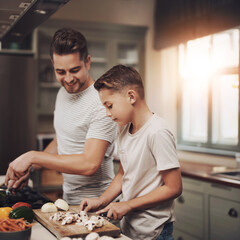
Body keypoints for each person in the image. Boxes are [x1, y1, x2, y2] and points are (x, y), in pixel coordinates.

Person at [5, 28, 118, 205]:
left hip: (101, 206)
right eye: (61, 72)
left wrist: (33, 156)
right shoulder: (62, 94)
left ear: (87, 62)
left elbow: (90, 164)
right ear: (53, 65)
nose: (68, 79)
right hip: (69, 202)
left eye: (74, 70)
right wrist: (30, 167)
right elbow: (62, 142)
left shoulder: (102, 102)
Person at [79, 65, 182, 240]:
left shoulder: (157, 132)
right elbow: (123, 173)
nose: (107, 113)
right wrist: (102, 200)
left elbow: (174, 187)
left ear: (131, 96)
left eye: (109, 106)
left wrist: (127, 205)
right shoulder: (124, 128)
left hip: (155, 232)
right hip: (130, 229)